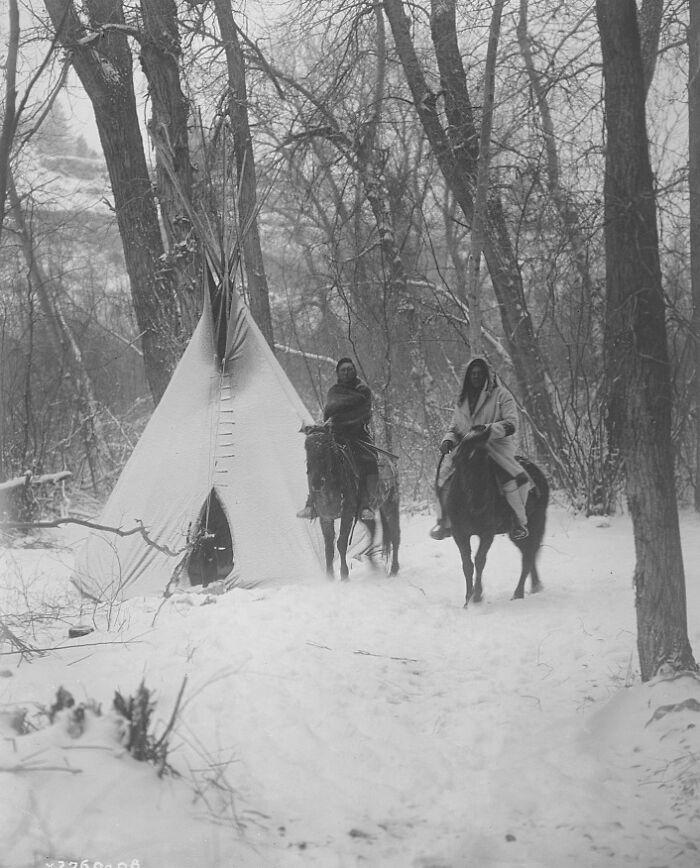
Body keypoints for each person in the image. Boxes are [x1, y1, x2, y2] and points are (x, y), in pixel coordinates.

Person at [430, 356, 532, 541]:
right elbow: (455, 428)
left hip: (494, 448)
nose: (476, 377)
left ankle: (518, 522)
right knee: (442, 479)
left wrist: (487, 429)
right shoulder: (462, 400)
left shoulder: (502, 396)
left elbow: (511, 423)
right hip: (465, 450)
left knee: (514, 480)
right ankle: (444, 522)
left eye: (479, 373)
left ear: (487, 376)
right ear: (468, 376)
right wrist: (448, 440)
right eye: (472, 374)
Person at [297, 358, 378, 522]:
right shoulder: (333, 391)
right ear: (338, 373)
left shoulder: (363, 390)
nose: (346, 372)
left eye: (349, 369)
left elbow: (364, 413)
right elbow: (328, 413)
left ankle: (365, 505)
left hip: (357, 435)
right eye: (343, 370)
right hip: (335, 435)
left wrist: (347, 424)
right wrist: (326, 427)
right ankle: (312, 503)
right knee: (315, 459)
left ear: (354, 371)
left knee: (368, 461)